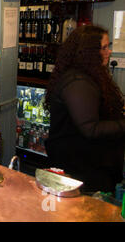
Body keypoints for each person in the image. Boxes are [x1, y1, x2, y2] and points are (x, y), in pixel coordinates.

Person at [44, 25, 125, 193]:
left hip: (85, 164)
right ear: (87, 52)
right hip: (79, 168)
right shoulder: (77, 82)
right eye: (103, 48)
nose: (108, 52)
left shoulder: (88, 75)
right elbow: (90, 128)